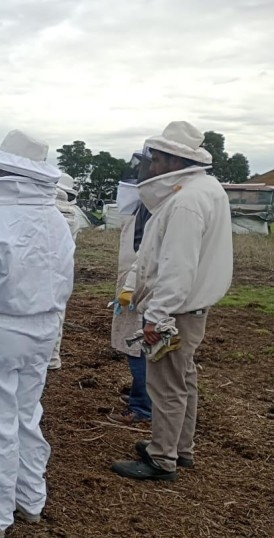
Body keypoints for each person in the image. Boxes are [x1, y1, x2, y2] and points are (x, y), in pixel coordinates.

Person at [111, 121, 233, 481]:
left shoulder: (186, 201)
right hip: (189, 308)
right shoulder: (205, 191)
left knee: (165, 386)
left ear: (175, 161)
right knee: (184, 379)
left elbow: (177, 268)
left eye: (158, 160)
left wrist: (157, 316)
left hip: (177, 311)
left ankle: (162, 458)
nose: (153, 167)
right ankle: (181, 448)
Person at [0, 130, 74, 538]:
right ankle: (31, 499)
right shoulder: (56, 218)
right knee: (28, 415)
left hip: (0, 325)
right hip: (44, 328)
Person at [108, 154, 154, 426]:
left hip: (141, 289)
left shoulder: (154, 208)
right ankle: (141, 395)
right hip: (135, 284)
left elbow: (147, 253)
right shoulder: (144, 206)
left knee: (140, 347)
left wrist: (130, 287)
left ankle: (142, 408)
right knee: (137, 344)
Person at [48, 173, 90, 370]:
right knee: (58, 310)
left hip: (44, 265)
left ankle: (50, 357)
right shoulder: (73, 212)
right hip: (63, 266)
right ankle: (53, 356)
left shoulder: (54, 210)